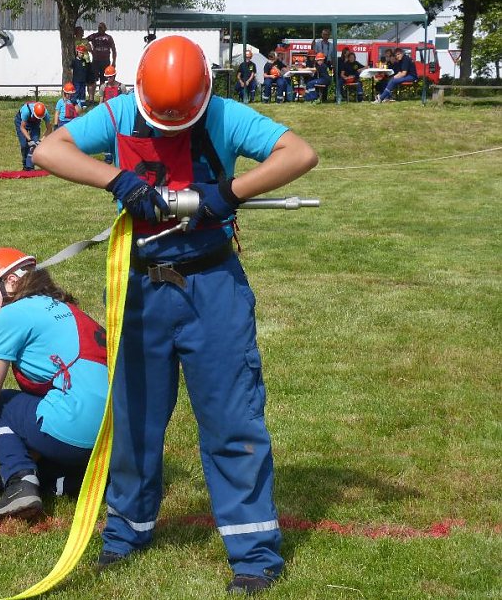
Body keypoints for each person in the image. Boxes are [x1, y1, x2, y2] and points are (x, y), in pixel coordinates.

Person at [33, 35, 318, 595]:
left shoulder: (226, 116)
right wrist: (116, 179)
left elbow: (299, 153)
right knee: (136, 418)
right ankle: (127, 534)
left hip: (213, 288)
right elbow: (50, 149)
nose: (166, 130)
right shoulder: (118, 113)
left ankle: (254, 553)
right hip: (141, 291)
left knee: (231, 417)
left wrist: (229, 193)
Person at [0, 248, 110, 520]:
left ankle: (20, 485)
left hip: (77, 430)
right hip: (115, 437)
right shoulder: (66, 309)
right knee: (48, 460)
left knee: (1, 404)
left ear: (10, 282)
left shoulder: (12, 315)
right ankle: (86, 481)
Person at [99, 65, 127, 164]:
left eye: (110, 76)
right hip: (107, 114)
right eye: (107, 77)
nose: (108, 78)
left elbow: (125, 101)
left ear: (114, 76)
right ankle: (108, 156)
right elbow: (101, 101)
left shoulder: (121, 87)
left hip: (117, 114)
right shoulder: (103, 87)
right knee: (107, 135)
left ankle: (118, 154)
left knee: (117, 134)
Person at [15, 101, 50, 170]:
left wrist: (40, 141)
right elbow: (22, 127)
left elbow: (49, 129)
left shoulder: (46, 113)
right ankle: (25, 165)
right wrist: (30, 140)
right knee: (24, 144)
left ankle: (30, 166)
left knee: (34, 145)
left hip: (35, 124)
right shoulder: (26, 111)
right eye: (37, 117)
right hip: (21, 121)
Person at [87, 22, 117, 103]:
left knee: (103, 80)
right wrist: (89, 49)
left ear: (105, 28)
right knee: (92, 80)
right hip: (95, 61)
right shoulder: (93, 36)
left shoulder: (109, 37)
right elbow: (84, 40)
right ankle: (91, 98)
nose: (100, 29)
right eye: (99, 27)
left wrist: (114, 62)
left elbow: (114, 50)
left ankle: (102, 98)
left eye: (102, 27)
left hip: (105, 61)